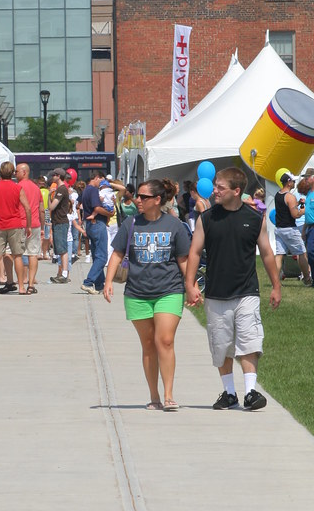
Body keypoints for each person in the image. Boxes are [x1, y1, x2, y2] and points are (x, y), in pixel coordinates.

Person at [185, 166, 281, 411]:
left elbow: (268, 254)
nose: (214, 191)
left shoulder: (254, 218)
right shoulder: (206, 219)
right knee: (221, 345)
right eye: (215, 186)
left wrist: (276, 286)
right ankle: (229, 394)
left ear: (236, 191)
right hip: (216, 293)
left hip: (247, 291)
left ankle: (250, 393)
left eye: (220, 187)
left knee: (250, 341)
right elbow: (194, 252)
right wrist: (190, 284)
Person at [104, 178, 191, 410]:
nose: (137, 200)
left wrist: (191, 285)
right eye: (138, 196)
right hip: (137, 292)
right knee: (148, 344)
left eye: (143, 197)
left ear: (157, 200)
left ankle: (169, 394)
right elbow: (117, 254)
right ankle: (154, 396)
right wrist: (108, 281)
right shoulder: (130, 224)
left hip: (169, 290)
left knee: (165, 340)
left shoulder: (174, 226)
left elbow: (184, 259)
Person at [0, 160, 32, 295]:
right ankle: (21, 287)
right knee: (17, 255)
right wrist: (28, 225)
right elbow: (27, 208)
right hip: (15, 224)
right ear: (12, 173)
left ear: (0, 172)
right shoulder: (17, 188)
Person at [273, 173, 311, 285]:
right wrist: (304, 210)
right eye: (293, 181)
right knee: (302, 253)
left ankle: (274, 281)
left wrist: (298, 203)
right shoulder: (290, 196)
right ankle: (307, 279)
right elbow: (295, 214)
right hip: (290, 229)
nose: (294, 183)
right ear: (289, 182)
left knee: (279, 255)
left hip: (279, 229)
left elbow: (286, 208)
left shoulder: (277, 194)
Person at [80, 170, 112, 294]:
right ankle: (88, 282)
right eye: (101, 180)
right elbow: (97, 208)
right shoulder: (93, 190)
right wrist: (110, 213)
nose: (102, 183)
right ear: (97, 178)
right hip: (97, 223)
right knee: (102, 257)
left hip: (90, 224)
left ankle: (99, 283)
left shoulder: (86, 190)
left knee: (96, 254)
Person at [16, 162, 44, 293]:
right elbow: (42, 209)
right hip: (35, 224)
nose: (15, 174)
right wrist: (42, 226)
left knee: (18, 254)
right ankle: (31, 284)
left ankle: (21, 283)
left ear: (24, 172)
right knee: (33, 254)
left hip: (20, 224)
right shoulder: (36, 188)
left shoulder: (17, 187)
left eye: (16, 172)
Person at [49, 167, 71, 284]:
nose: (53, 177)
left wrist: (51, 197)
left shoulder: (62, 189)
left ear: (58, 176)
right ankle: (63, 273)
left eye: (54, 175)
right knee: (60, 248)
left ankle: (64, 274)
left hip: (61, 221)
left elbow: (52, 207)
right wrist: (49, 196)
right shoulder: (59, 189)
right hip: (58, 221)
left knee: (62, 248)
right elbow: (50, 207)